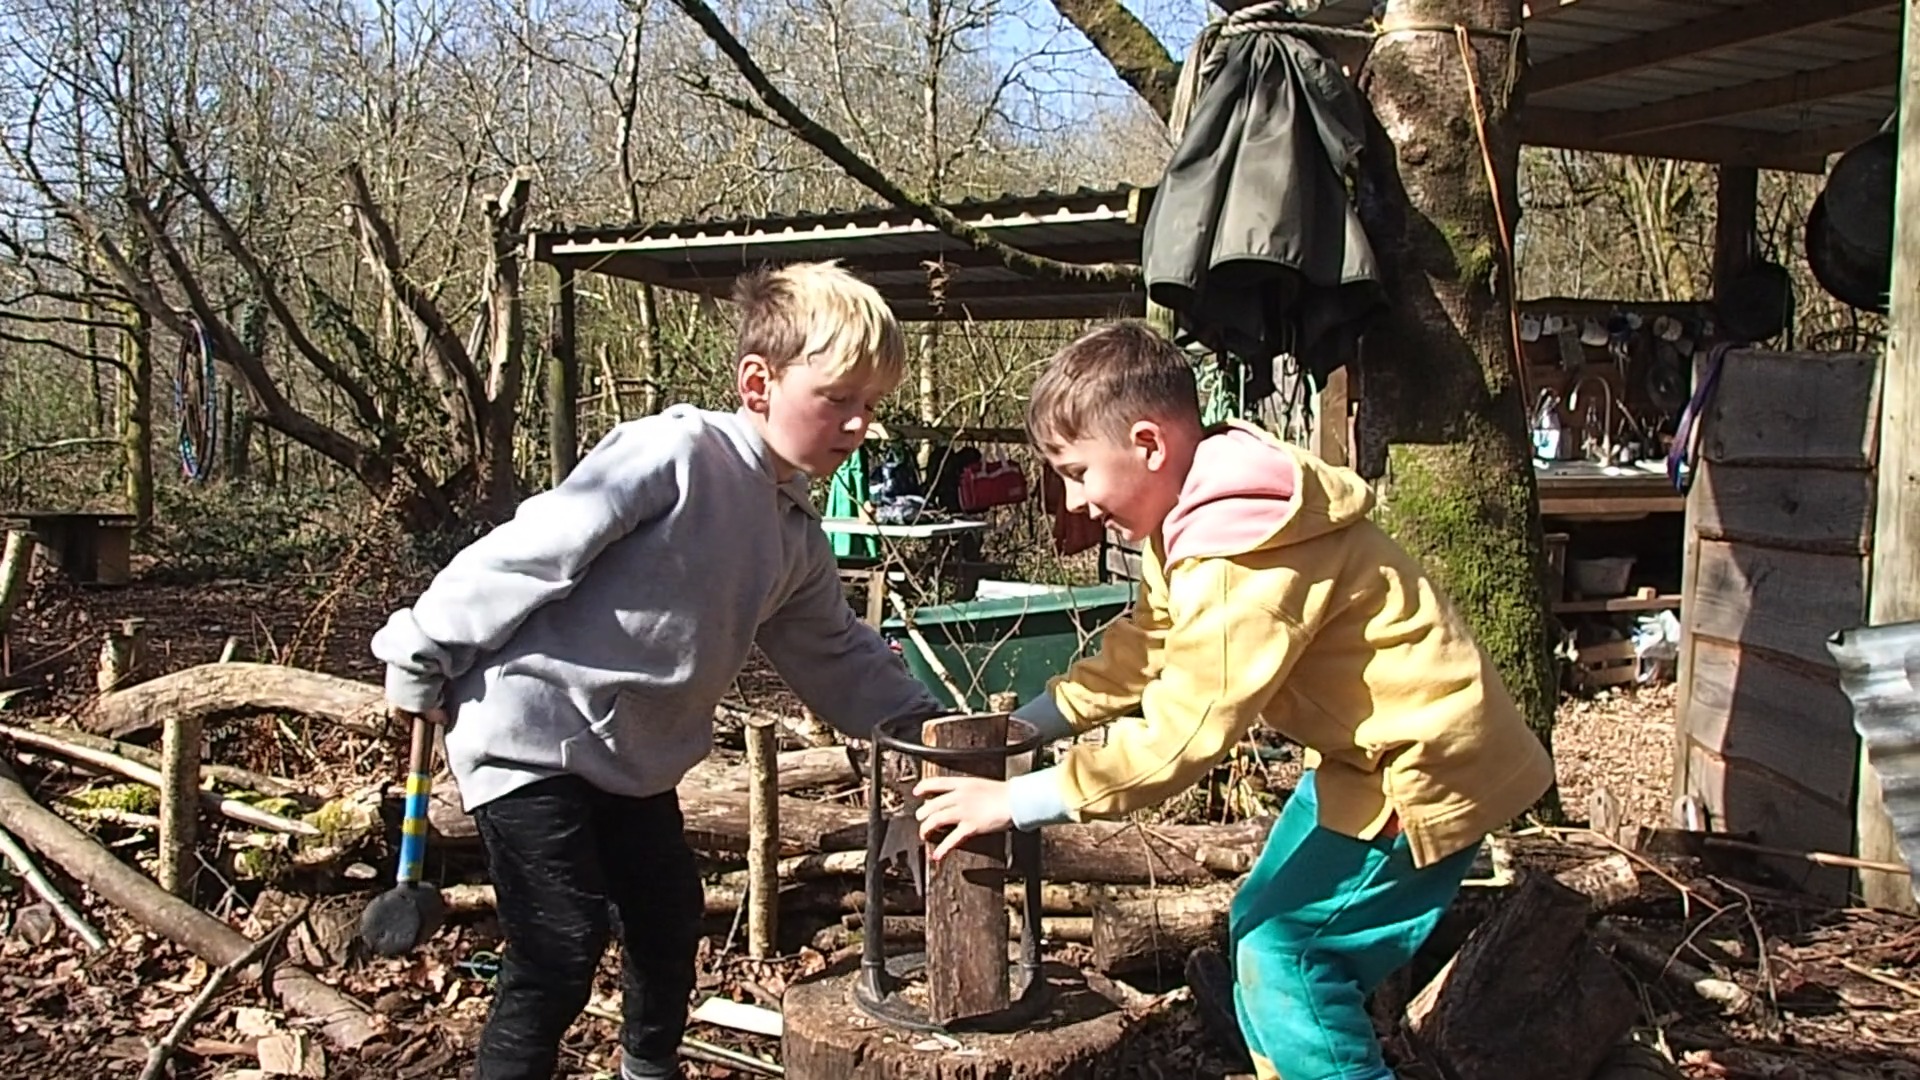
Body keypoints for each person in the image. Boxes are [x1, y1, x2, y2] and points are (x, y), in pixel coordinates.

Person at [913, 320, 1555, 1080]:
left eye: (1079, 472)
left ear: (1148, 445)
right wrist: (1027, 726)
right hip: (1365, 759)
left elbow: (1182, 740)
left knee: (1292, 961)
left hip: (1422, 766)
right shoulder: (1195, 515)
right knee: (1259, 928)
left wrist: (1017, 801)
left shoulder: (1236, 558)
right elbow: (1147, 647)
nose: (1076, 501)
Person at [372, 260, 946, 1080]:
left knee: (670, 922)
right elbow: (532, 550)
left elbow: (836, 653)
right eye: (838, 398)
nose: (859, 424)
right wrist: (424, 644)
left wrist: (926, 727)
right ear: (759, 384)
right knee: (560, 942)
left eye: (872, 405)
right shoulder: (674, 452)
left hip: (632, 764)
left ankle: (648, 1069)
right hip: (530, 732)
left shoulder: (791, 532)